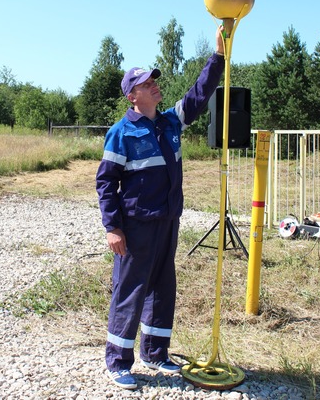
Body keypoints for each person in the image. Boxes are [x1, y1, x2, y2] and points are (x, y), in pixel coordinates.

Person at [96, 27, 225, 390]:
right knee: (130, 290)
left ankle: (155, 352)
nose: (154, 85)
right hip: (136, 226)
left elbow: (199, 95)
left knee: (162, 287)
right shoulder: (121, 133)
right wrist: (113, 227)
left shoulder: (170, 122)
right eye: (146, 83)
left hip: (168, 221)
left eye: (155, 80)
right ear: (132, 96)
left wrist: (217, 58)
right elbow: (106, 182)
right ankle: (118, 360)